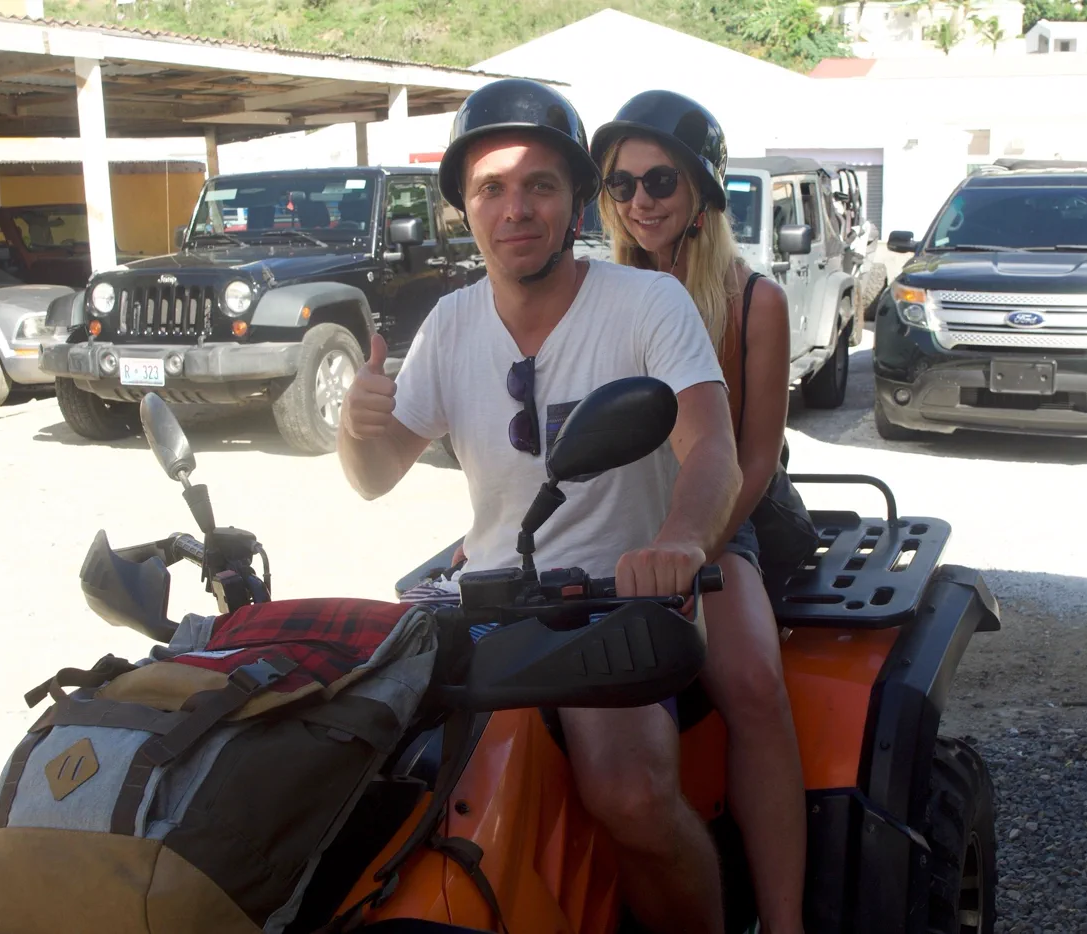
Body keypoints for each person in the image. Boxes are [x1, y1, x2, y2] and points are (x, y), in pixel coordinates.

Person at [336, 78, 741, 934]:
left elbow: (713, 449)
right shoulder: (449, 325)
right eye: (492, 188)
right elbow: (375, 476)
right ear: (464, 208)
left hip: (612, 604)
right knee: (374, 784)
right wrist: (356, 424)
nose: (514, 208)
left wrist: (676, 540)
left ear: (574, 203)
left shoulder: (647, 304)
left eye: (539, 186)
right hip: (490, 606)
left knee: (630, 794)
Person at [590, 90, 808, 934]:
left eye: (659, 180)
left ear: (703, 193)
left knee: (753, 683)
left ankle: (784, 920)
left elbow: (754, 457)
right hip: (613, 509)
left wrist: (694, 544)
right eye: (620, 184)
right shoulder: (597, 291)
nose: (639, 201)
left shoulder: (756, 301)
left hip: (718, 510)